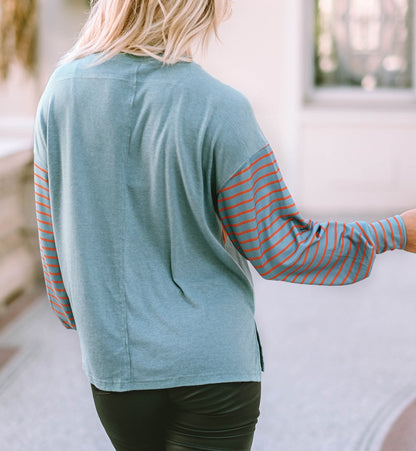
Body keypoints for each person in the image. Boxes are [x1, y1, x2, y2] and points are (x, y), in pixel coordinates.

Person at [33, 0, 416, 449]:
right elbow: (281, 248)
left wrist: (90, 319)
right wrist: (396, 232)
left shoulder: (59, 94)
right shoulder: (220, 107)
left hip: (116, 367)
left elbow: (53, 244)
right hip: (212, 365)